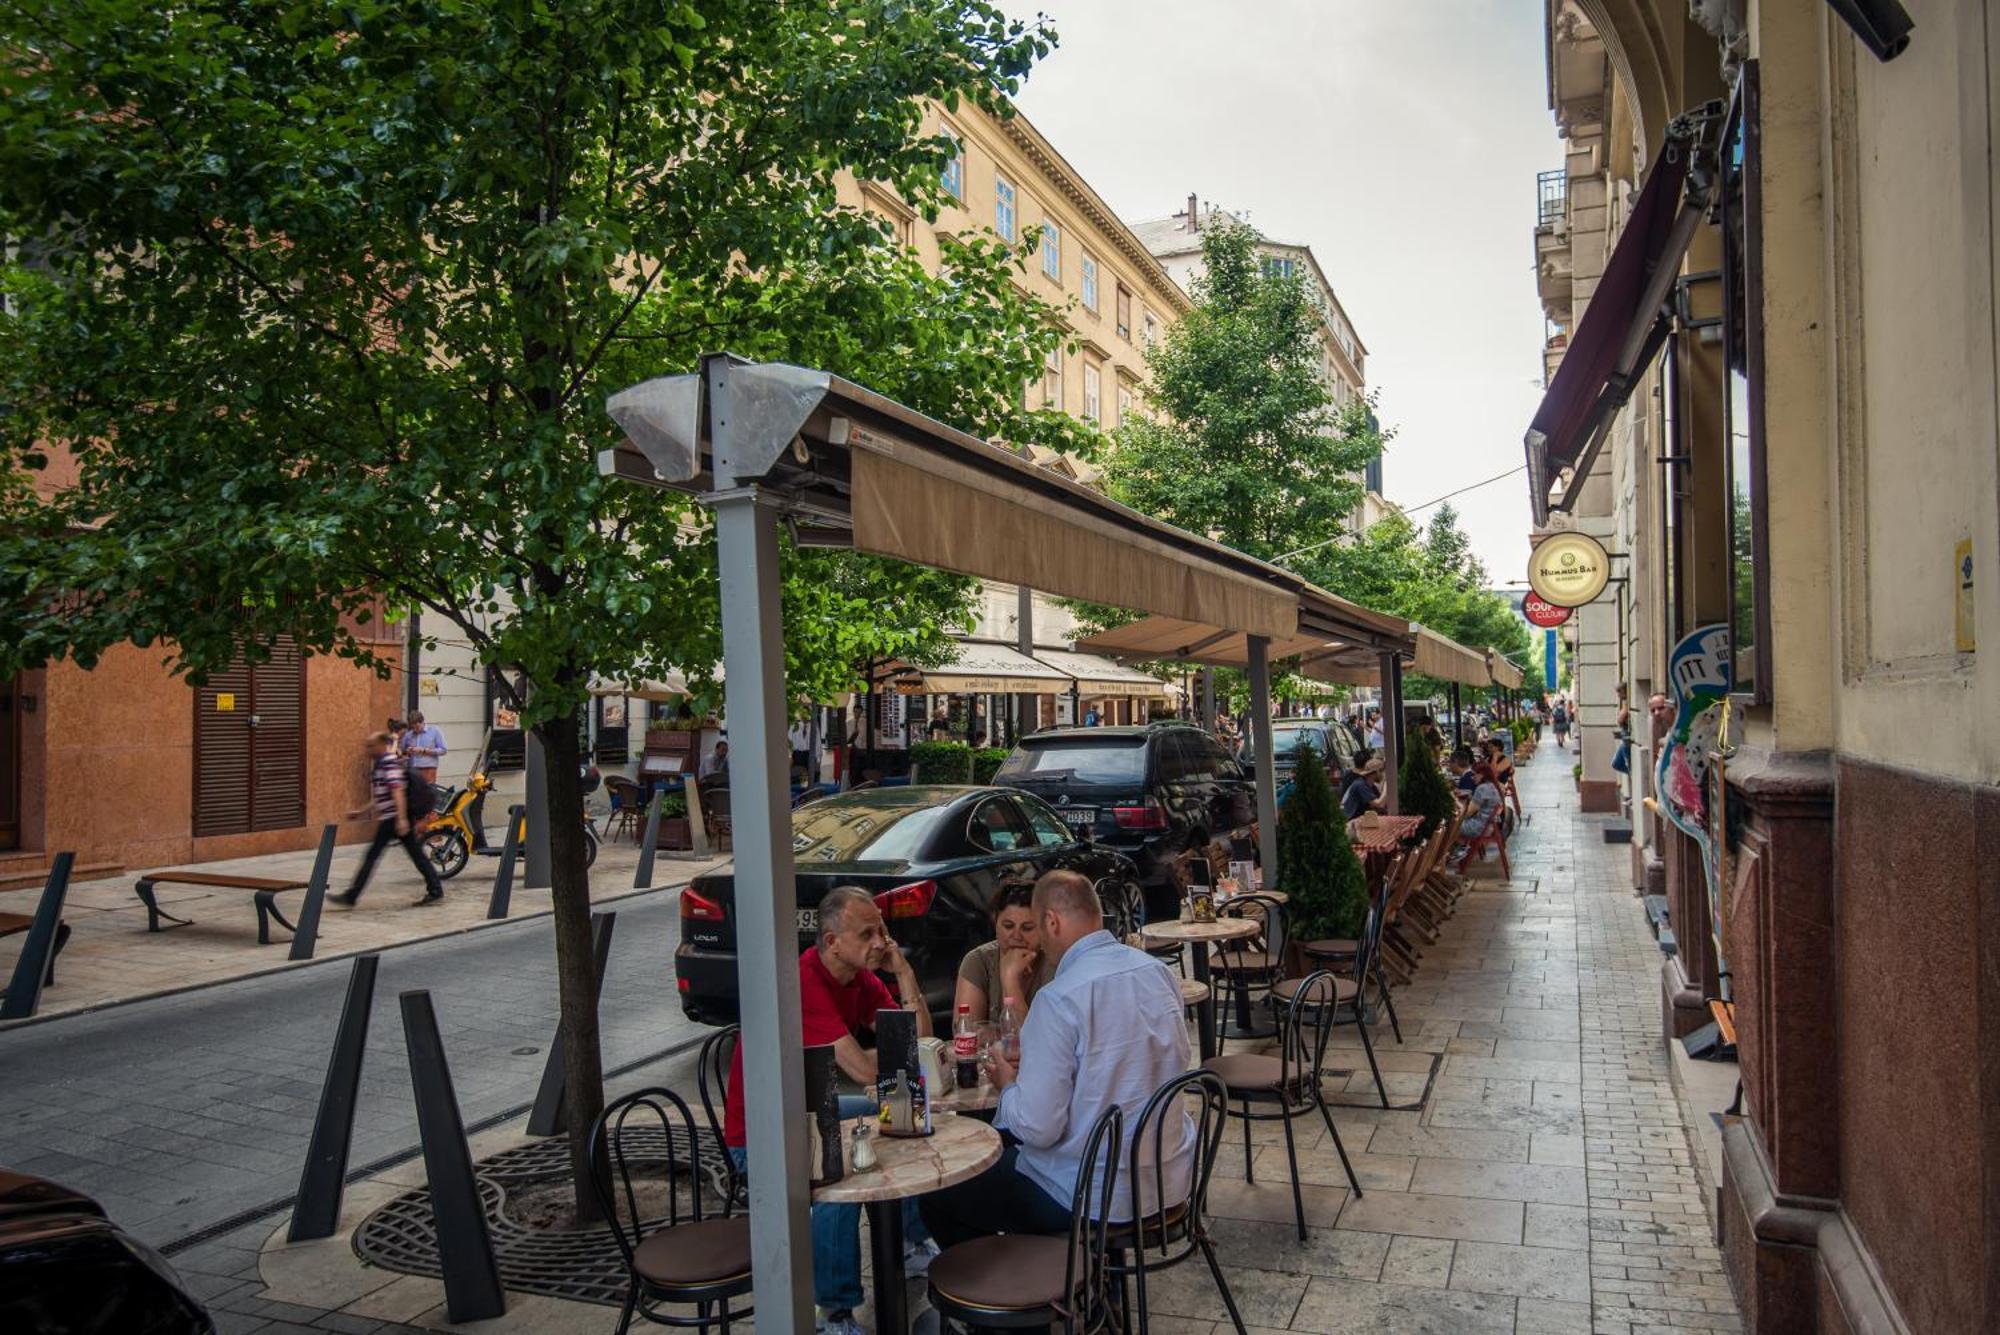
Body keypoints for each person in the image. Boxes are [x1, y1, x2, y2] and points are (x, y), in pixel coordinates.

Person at [921, 870, 1194, 1246]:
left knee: (943, 1183)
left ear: (1051, 921)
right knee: (998, 1146)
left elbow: (1037, 1128)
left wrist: (1009, 1086)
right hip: (1168, 1180)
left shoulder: (1060, 997)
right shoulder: (1158, 972)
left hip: (1089, 1195)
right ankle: (1089, 1285)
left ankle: (1013, 1294)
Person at [721, 886, 935, 1335]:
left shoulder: (859, 978)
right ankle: (834, 1312)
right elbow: (861, 1066)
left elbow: (918, 1041)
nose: (880, 942)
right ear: (832, 941)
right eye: (867, 933)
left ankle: (911, 1244)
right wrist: (892, 1053)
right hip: (760, 1136)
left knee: (905, 1111)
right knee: (843, 1178)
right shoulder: (804, 981)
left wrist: (904, 970)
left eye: (882, 930)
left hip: (810, 1111)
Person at [332, 732, 444, 907]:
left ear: (381, 745)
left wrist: (401, 820)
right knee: (415, 855)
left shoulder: (388, 764)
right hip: (393, 818)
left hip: (394, 819)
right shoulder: (381, 765)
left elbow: (397, 791)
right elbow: (380, 795)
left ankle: (351, 896)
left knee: (374, 856)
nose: (367, 749)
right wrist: (361, 812)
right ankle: (435, 889)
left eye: (370, 745)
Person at [955, 884, 1049, 1023]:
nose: (1016, 936)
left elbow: (1032, 1041)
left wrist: (1010, 980)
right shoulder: (978, 961)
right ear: (995, 923)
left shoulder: (1056, 963)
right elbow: (966, 1032)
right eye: (1008, 926)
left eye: (1027, 928)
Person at [399, 710, 446, 817]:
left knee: (428, 798)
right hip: (413, 771)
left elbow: (443, 750)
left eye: (417, 726)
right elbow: (402, 751)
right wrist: (408, 751)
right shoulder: (408, 735)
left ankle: (430, 828)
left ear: (422, 722)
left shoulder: (434, 731)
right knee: (414, 799)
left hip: (428, 769)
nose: (415, 730)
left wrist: (424, 750)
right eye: (413, 727)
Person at [1341, 751, 1386, 821]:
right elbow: (1379, 804)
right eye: (1382, 770)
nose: (1383, 773)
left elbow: (1382, 805)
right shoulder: (1360, 785)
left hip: (1361, 820)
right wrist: (1387, 785)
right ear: (1376, 772)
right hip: (1351, 822)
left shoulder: (1369, 785)